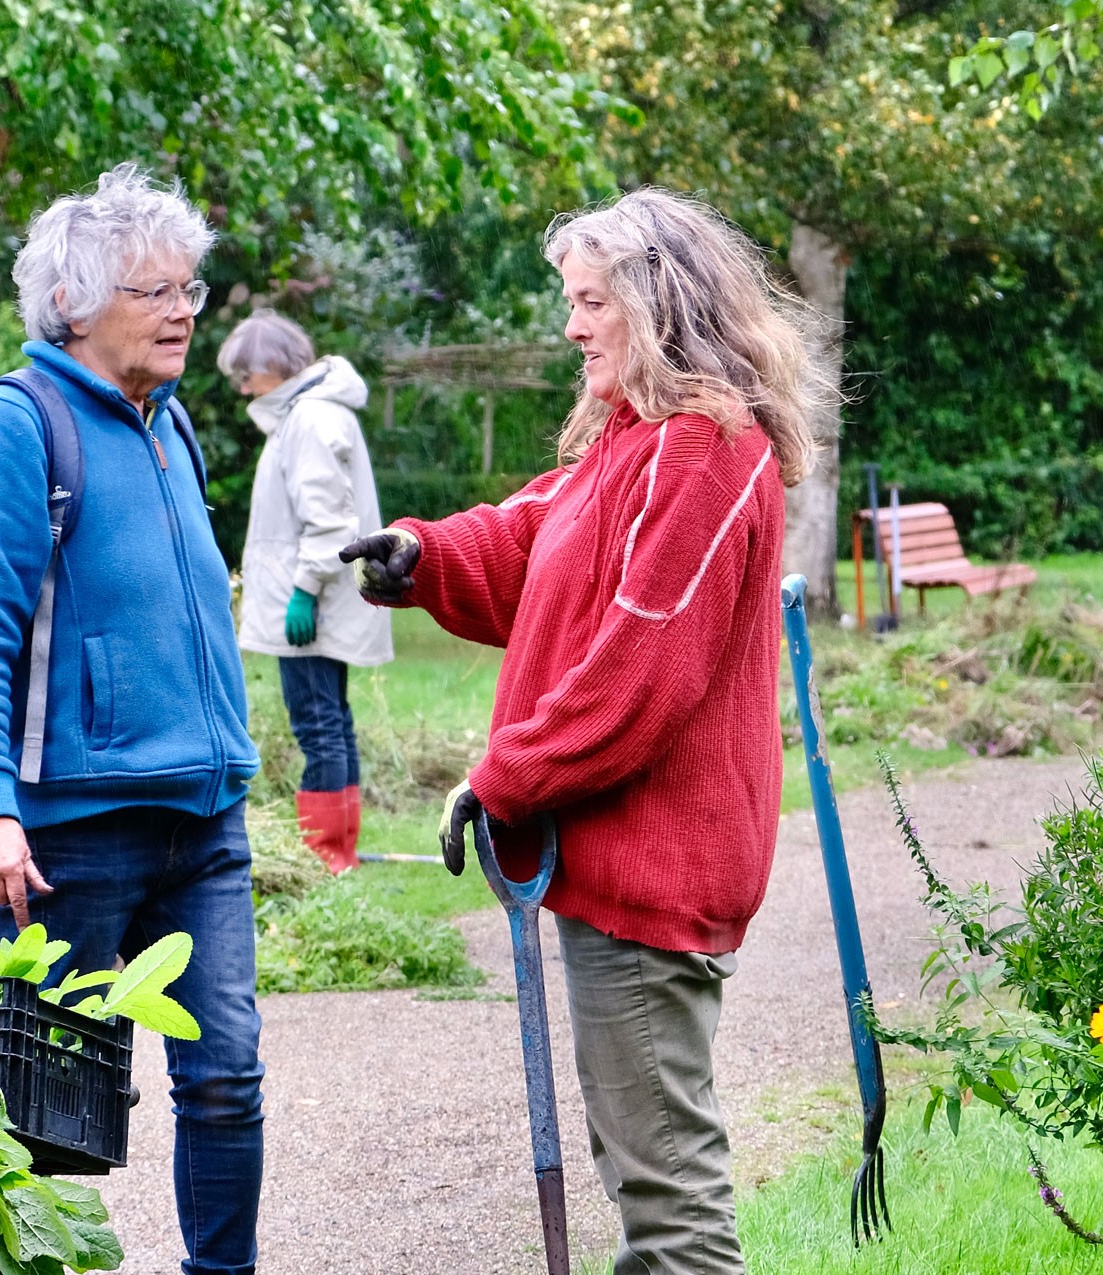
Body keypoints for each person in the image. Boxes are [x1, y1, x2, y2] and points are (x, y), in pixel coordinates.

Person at [341, 187, 819, 1274]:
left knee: (670, 1203)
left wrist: (507, 776)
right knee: (641, 1166)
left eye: (591, 301)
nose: (573, 325)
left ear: (658, 304)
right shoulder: (636, 445)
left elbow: (638, 676)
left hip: (655, 877)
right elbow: (535, 535)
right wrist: (429, 555)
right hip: (617, 871)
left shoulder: (703, 454)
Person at [0, 164, 264, 1275]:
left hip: (203, 819)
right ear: (71, 307)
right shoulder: (15, 429)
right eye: (154, 292)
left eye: (189, 291)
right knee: (49, 1103)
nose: (181, 312)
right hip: (68, 838)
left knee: (226, 1079)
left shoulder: (172, 430)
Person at [219, 311, 392, 874]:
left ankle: (325, 858)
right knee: (330, 722)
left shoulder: (311, 419)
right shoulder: (308, 412)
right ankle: (339, 851)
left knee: (317, 727)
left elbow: (329, 524)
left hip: (312, 608)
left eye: (246, 375)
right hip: (319, 603)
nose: (242, 388)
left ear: (272, 367)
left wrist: (303, 591)